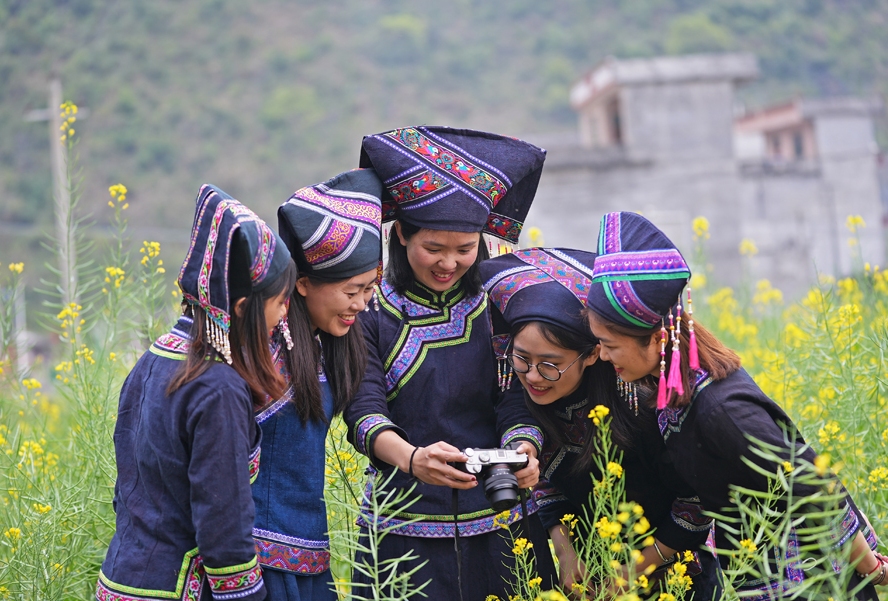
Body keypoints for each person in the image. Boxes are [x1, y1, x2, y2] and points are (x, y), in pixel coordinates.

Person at [584, 211, 887, 599]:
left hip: (810, 582)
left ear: (659, 339)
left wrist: (872, 569)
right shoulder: (676, 396)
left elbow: (813, 486)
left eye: (610, 346)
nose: (604, 357)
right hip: (758, 575)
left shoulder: (720, 410)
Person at [343, 126, 556, 601]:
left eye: (465, 249)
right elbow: (363, 409)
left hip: (503, 524)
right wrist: (414, 459)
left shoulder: (500, 302)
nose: (449, 264)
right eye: (433, 249)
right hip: (403, 534)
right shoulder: (370, 312)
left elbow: (518, 395)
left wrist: (524, 450)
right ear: (400, 234)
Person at [480, 247, 723, 599]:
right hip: (595, 576)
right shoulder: (527, 400)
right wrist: (565, 553)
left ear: (593, 353)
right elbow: (549, 480)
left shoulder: (644, 408)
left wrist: (638, 568)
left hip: (673, 573)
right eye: (522, 358)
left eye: (550, 363)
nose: (533, 376)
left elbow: (696, 501)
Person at [96, 185, 295, 601]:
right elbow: (223, 520)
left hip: (121, 579)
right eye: (280, 303)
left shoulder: (155, 358)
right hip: (175, 588)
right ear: (242, 308)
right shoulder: (217, 387)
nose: (284, 317)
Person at [251, 169, 383, 601]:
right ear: (303, 284)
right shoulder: (263, 353)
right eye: (351, 291)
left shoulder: (330, 344)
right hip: (256, 563)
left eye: (370, 290)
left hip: (311, 554)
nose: (361, 304)